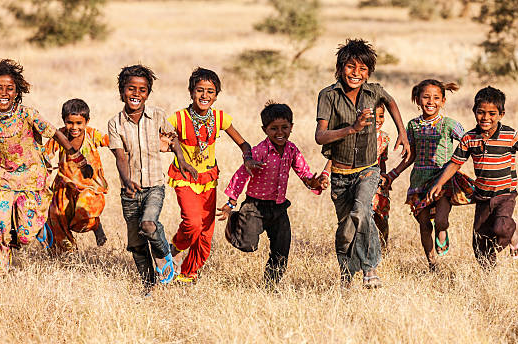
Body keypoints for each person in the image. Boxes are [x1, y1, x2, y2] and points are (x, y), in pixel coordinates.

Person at [0, 59, 93, 275]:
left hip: (31, 179)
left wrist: (77, 157)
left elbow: (55, 133)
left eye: (10, 88)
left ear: (17, 91)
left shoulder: (28, 114)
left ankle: (27, 233)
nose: (4, 92)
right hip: (2, 180)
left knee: (26, 234)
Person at [427, 86, 518, 268]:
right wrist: (439, 183)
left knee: (501, 227)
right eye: (481, 112)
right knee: (479, 244)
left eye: (492, 113)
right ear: (474, 111)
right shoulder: (469, 138)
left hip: (505, 195)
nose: (486, 118)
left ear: (501, 114)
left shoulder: (509, 135)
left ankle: (515, 230)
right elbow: (455, 163)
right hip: (482, 196)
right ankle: (489, 278)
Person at [314, 38, 411, 289]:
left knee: (362, 211)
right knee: (346, 229)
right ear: (339, 68)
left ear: (369, 72)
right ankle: (346, 276)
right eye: (350, 67)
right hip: (340, 173)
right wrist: (351, 129)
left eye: (363, 69)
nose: (356, 74)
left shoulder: (374, 92)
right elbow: (320, 136)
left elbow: (391, 102)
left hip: (368, 169)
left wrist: (402, 131)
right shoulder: (328, 96)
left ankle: (370, 269)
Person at [166, 67, 263, 284]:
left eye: (210, 91)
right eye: (200, 90)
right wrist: (173, 150)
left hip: (209, 180)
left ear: (216, 95)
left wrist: (247, 157)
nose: (204, 96)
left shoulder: (219, 118)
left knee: (205, 234)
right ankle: (173, 248)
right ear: (191, 92)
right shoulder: (178, 118)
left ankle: (187, 275)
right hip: (184, 178)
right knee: (192, 223)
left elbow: (243, 143)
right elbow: (163, 139)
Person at [217, 102, 326, 286]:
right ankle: (236, 221)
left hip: (278, 208)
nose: (280, 132)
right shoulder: (260, 151)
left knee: (282, 249)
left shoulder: (292, 150)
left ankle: (270, 285)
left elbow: (304, 173)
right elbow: (242, 174)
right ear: (264, 130)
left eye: (285, 127)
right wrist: (231, 202)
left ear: (292, 127)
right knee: (248, 245)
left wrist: (312, 182)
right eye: (273, 128)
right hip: (254, 207)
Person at [108, 64, 197, 288]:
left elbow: (172, 137)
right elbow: (120, 157)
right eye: (131, 89)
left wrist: (182, 159)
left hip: (154, 187)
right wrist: (127, 181)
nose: (136, 94)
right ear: (121, 92)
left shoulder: (157, 115)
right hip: (129, 191)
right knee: (137, 244)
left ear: (148, 93)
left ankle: (164, 255)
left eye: (142, 90)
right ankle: (149, 285)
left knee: (148, 224)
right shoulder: (114, 124)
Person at [383, 79, 474, 270]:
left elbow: (468, 141)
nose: (430, 102)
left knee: (441, 221)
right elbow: (411, 155)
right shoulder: (413, 125)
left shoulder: (449, 124)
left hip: (443, 180)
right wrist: (392, 174)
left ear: (443, 101)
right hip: (419, 181)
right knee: (424, 225)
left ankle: (443, 231)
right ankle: (432, 263)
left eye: (436, 98)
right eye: (425, 97)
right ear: (417, 99)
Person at [321, 103, 391, 251]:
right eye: (373, 117)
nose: (378, 120)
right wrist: (326, 173)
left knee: (380, 217)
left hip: (376, 182)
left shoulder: (384, 138)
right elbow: (335, 157)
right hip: (359, 181)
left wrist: (385, 177)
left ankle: (383, 248)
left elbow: (382, 161)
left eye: (381, 116)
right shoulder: (353, 136)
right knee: (360, 214)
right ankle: (361, 249)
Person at [43, 98, 109, 252]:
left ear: (86, 121)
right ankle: (68, 255)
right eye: (69, 122)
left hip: (89, 187)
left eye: (79, 123)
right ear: (64, 120)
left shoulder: (92, 135)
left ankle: (95, 225)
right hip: (64, 186)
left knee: (83, 213)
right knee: (57, 217)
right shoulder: (60, 136)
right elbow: (45, 155)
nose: (74, 127)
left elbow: (111, 141)